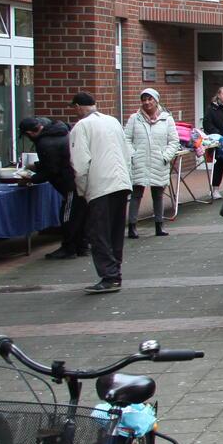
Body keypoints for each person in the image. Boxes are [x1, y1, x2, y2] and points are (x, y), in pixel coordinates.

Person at [67, 92, 131, 295]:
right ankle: (115, 271)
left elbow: (79, 163)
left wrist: (82, 189)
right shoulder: (113, 121)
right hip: (121, 182)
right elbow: (128, 152)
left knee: (99, 232)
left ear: (78, 107)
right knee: (115, 230)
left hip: (100, 185)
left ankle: (109, 276)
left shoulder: (81, 127)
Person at [20, 116, 86, 260]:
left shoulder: (45, 143)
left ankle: (69, 248)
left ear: (30, 133)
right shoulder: (60, 132)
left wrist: (31, 178)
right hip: (78, 180)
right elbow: (57, 159)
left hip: (70, 184)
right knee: (78, 214)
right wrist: (37, 166)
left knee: (67, 216)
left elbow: (51, 170)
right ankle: (81, 246)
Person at [124, 89, 177, 239]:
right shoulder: (134, 118)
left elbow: (173, 141)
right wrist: (132, 154)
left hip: (158, 161)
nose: (147, 102)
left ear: (156, 100)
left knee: (158, 194)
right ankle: (132, 226)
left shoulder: (167, 119)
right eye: (144, 100)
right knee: (136, 193)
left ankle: (159, 225)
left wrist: (165, 156)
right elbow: (126, 138)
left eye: (150, 99)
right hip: (139, 161)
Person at [204, 86, 223, 197]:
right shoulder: (212, 109)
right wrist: (218, 134)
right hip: (219, 140)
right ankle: (215, 189)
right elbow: (207, 124)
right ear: (218, 95)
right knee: (219, 164)